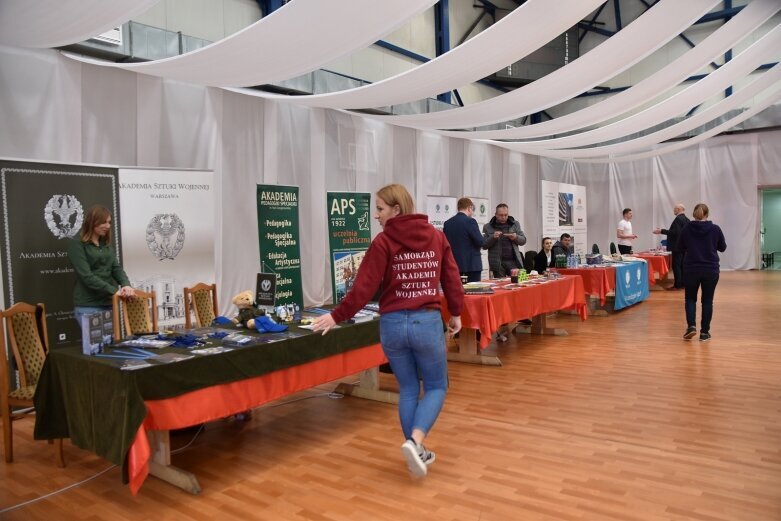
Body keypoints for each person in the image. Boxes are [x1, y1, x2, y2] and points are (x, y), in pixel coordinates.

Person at [311, 184, 463, 478]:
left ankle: (415, 450)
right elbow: (452, 279)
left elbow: (363, 287)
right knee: (435, 386)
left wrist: (336, 316)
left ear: (396, 209)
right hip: (426, 322)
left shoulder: (383, 242)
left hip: (392, 324)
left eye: (379, 209)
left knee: (407, 388)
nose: (376, 216)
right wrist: (456, 312)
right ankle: (416, 442)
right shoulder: (436, 236)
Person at [67, 205, 135, 325]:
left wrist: (126, 285)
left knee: (110, 343)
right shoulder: (77, 245)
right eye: (103, 222)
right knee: (94, 344)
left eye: (109, 222)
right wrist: (114, 291)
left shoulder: (106, 245)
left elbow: (116, 269)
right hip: (88, 305)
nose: (108, 226)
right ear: (92, 222)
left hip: (108, 303)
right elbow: (87, 277)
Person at [677, 203, 726, 342]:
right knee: (707, 300)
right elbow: (722, 248)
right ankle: (704, 333)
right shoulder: (715, 229)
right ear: (707, 214)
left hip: (691, 269)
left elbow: (680, 247)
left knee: (690, 299)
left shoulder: (687, 229)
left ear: (694, 214)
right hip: (710, 269)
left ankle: (691, 326)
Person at [443, 197, 484, 282]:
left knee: (457, 293)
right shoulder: (470, 221)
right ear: (469, 208)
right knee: (473, 294)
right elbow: (480, 241)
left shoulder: (447, 223)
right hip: (471, 266)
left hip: (454, 265)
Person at [482, 203, 527, 278]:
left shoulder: (515, 224)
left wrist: (516, 237)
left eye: (506, 215)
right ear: (496, 214)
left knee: (517, 284)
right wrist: (493, 237)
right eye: (501, 215)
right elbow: (484, 245)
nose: (503, 217)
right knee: (501, 286)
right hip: (498, 264)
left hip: (513, 262)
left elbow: (523, 240)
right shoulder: (487, 226)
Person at [653, 203, 690, 289]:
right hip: (684, 246)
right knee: (682, 265)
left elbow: (675, 233)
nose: (673, 210)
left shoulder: (678, 219)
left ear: (679, 209)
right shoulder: (687, 219)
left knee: (676, 266)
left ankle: (677, 285)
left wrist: (661, 231)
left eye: (675, 209)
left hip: (677, 247)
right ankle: (683, 283)